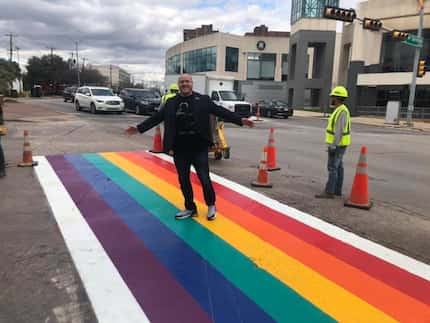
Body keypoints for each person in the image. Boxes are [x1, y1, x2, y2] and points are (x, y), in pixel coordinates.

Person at [125, 74, 254, 220]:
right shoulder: (171, 102)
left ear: (192, 84)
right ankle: (190, 208)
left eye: (187, 82)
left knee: (204, 178)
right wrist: (139, 128)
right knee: (184, 179)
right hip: (180, 149)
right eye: (182, 82)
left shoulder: (203, 100)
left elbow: (220, 111)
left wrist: (240, 120)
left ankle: (211, 205)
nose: (184, 84)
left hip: (199, 147)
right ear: (179, 85)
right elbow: (157, 118)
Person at [315, 86, 351, 199]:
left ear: (337, 98)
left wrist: (333, 146)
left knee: (332, 167)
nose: (331, 98)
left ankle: (329, 191)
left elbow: (338, 130)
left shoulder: (342, 111)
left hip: (338, 145)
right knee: (339, 167)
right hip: (341, 144)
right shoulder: (341, 110)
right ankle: (337, 190)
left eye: (333, 97)